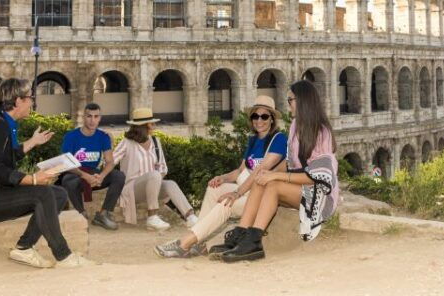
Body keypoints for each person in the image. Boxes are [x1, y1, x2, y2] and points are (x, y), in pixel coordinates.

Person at [0, 78, 94, 268]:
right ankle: (64, 256)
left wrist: (33, 142)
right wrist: (33, 179)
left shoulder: (5, 122)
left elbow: (6, 156)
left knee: (59, 194)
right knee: (43, 193)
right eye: (30, 98)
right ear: (18, 101)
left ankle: (24, 247)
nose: (32, 102)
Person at [216, 80, 338, 263]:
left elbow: (317, 178)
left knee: (272, 185)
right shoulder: (296, 125)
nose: (288, 105)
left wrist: (275, 176)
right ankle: (242, 233)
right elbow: (289, 163)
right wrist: (267, 173)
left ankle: (254, 241)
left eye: (290, 100)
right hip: (300, 187)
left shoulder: (321, 132)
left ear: (302, 101)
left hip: (320, 193)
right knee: (262, 179)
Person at [154, 94, 287, 258]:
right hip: (247, 189)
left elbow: (261, 170)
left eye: (264, 116)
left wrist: (236, 193)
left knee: (227, 202)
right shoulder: (253, 140)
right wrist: (223, 178)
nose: (259, 120)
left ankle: (185, 243)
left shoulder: (278, 139)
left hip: (263, 194)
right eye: (255, 116)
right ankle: (200, 243)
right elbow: (240, 171)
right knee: (214, 188)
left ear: (272, 119)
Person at [112, 107, 198, 231]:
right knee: (154, 175)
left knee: (170, 184)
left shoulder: (156, 142)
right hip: (132, 189)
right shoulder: (127, 143)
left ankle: (190, 217)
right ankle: (152, 217)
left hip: (153, 185)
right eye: (152, 123)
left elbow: (163, 167)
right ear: (143, 126)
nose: (154, 126)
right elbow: (111, 161)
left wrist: (156, 180)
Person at [58, 102, 126, 230]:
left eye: (96, 116)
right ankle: (81, 214)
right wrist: (85, 176)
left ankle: (103, 214)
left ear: (100, 118)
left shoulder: (103, 137)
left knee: (119, 176)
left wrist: (101, 176)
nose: (92, 120)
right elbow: (66, 163)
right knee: (67, 181)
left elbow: (110, 162)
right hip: (76, 174)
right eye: (89, 116)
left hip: (94, 175)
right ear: (84, 117)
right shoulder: (71, 136)